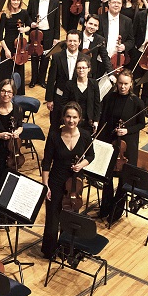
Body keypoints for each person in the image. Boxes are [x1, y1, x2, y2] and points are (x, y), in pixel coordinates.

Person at [40, 102, 93, 257]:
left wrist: (81, 165)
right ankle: (49, 250)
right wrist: (45, 185)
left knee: (71, 216)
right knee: (52, 217)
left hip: (75, 182)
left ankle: (66, 250)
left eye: (75, 117)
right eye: (68, 116)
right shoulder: (54, 135)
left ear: (80, 118)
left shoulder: (84, 136)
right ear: (63, 117)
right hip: (56, 180)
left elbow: (91, 155)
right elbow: (46, 162)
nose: (71, 120)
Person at [98, 69, 146, 219]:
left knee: (123, 178)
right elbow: (103, 120)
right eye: (120, 83)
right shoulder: (109, 98)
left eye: (126, 84)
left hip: (127, 145)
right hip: (110, 141)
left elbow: (141, 125)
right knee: (107, 177)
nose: (122, 87)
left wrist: (127, 130)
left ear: (131, 84)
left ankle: (116, 211)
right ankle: (105, 207)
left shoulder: (137, 102)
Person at [45, 30, 89, 128]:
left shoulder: (85, 58)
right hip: (59, 97)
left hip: (76, 97)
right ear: (66, 41)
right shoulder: (57, 57)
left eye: (75, 41)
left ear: (79, 42)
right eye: (70, 41)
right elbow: (51, 79)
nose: (72, 43)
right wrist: (49, 99)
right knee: (55, 125)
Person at [26, 0, 61, 87]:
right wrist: (31, 23)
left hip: (49, 33)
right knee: (34, 56)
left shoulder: (55, 2)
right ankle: (33, 79)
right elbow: (27, 17)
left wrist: (56, 37)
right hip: (35, 33)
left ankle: (42, 80)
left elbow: (56, 21)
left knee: (45, 57)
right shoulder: (33, 0)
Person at [0, 0, 31, 83]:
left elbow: (29, 25)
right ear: (10, 1)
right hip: (7, 45)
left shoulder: (24, 13)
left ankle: (18, 93)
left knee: (18, 71)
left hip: (20, 47)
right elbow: (0, 35)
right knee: (6, 72)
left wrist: (24, 30)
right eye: (14, 0)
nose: (16, 2)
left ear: (20, 1)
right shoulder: (5, 15)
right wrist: (6, 50)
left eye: (18, 0)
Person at [62, 58, 101, 132]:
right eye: (79, 68)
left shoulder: (94, 83)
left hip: (89, 121)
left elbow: (97, 103)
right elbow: (64, 103)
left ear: (88, 69)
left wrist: (96, 120)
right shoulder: (69, 84)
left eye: (84, 68)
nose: (81, 70)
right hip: (73, 121)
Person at [97, 0, 135, 69]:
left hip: (118, 61)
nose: (116, 5)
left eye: (119, 3)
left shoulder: (127, 21)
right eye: (114, 2)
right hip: (100, 60)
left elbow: (131, 40)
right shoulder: (99, 19)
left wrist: (124, 46)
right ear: (109, 3)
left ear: (121, 5)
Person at [78, 14, 111, 81]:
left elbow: (105, 57)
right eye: (90, 24)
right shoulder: (77, 35)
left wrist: (110, 73)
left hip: (91, 74)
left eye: (95, 25)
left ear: (98, 28)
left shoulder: (100, 40)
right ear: (85, 23)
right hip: (75, 71)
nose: (92, 27)